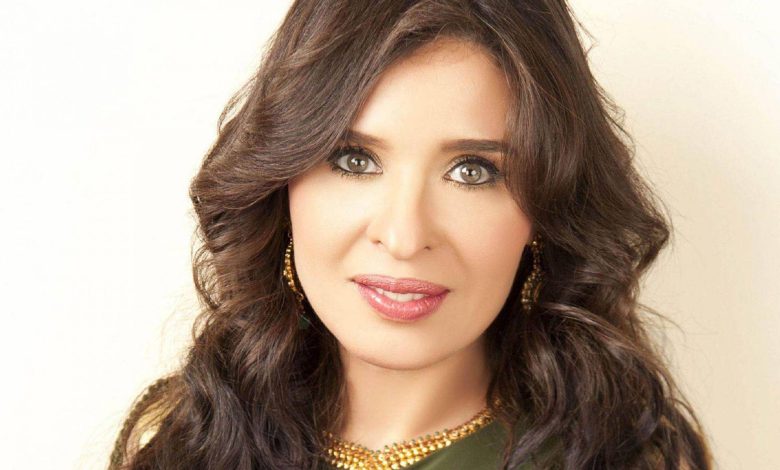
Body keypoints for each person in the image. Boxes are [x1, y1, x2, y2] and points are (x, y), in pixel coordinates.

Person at [108, 1, 714, 469]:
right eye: (354, 161)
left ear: (545, 212)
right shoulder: (189, 441)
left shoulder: (618, 459)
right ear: (279, 184)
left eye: (473, 171)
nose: (403, 237)